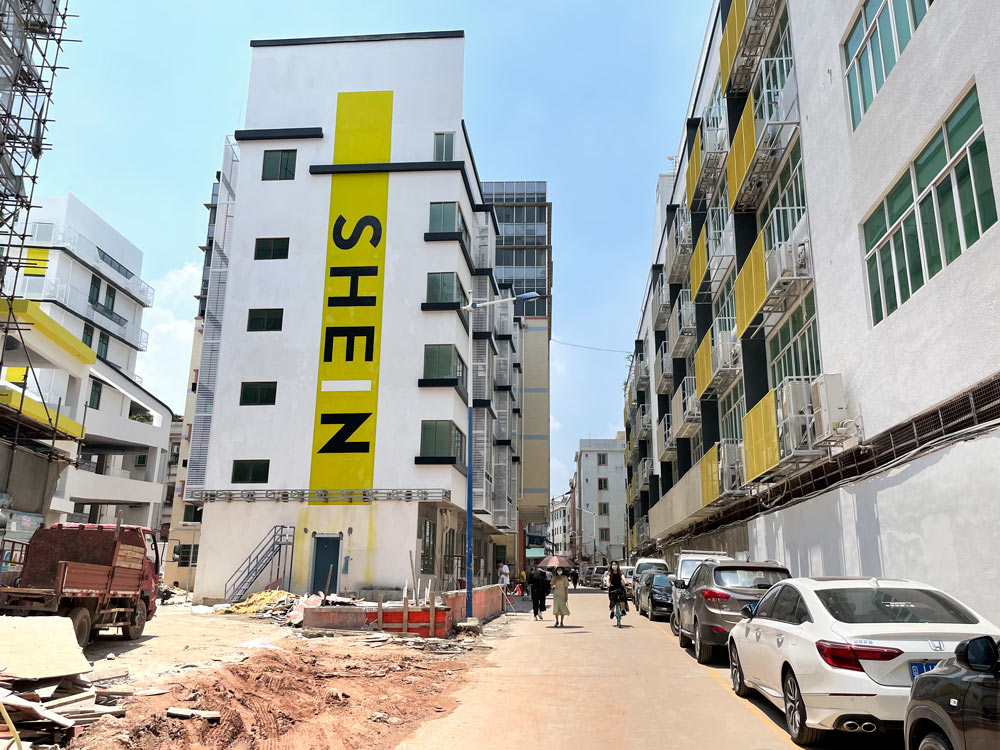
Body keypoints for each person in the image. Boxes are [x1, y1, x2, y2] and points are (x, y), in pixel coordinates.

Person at [607, 561, 629, 628]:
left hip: (619, 588)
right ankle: (612, 611)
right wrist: (608, 585)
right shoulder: (610, 574)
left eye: (615, 565)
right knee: (613, 602)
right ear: (611, 566)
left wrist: (625, 582)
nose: (614, 566)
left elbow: (623, 578)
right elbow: (608, 581)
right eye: (613, 565)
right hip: (612, 589)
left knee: (622, 600)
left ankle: (622, 610)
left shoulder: (620, 573)